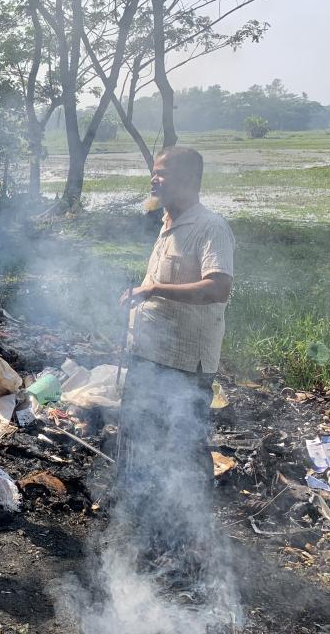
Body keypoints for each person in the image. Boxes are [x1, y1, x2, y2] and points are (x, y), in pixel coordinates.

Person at [115, 146, 235, 566]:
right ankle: (150, 523)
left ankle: (195, 537)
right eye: (153, 172)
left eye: (162, 174)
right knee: (146, 441)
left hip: (184, 365)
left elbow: (218, 288)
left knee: (184, 446)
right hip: (150, 356)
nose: (154, 180)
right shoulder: (167, 224)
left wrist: (152, 291)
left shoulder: (210, 226)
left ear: (188, 179)